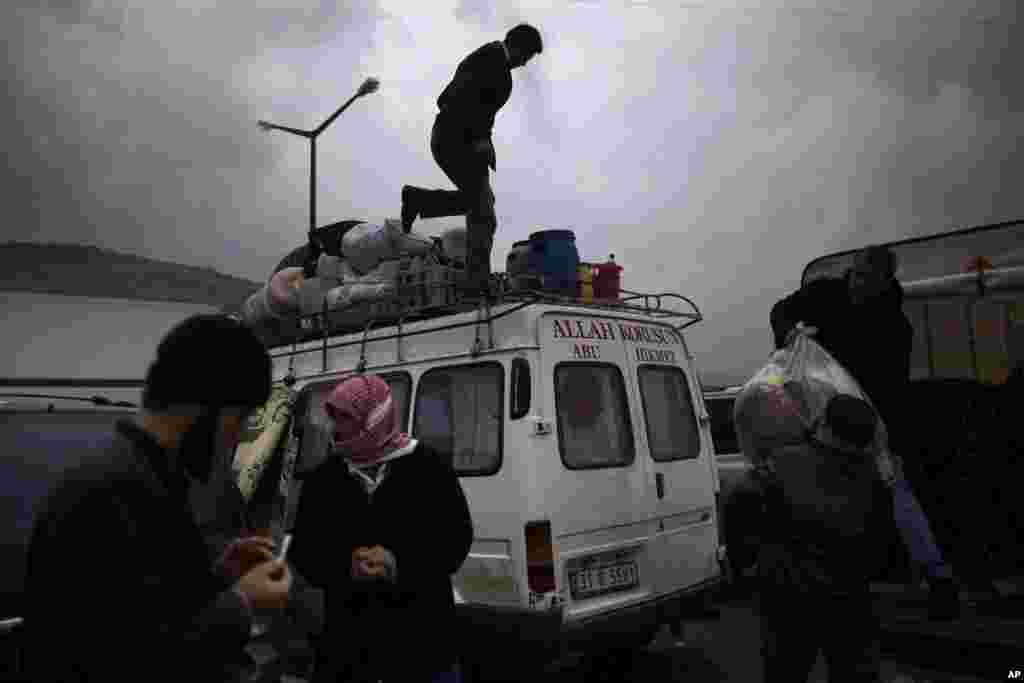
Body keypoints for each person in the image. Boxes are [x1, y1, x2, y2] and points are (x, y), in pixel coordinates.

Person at [21, 314, 294, 682]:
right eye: (241, 417)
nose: (242, 436)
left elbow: (155, 604)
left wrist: (221, 574)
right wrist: (242, 604)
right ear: (205, 408)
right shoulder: (110, 490)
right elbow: (119, 653)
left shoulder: (150, 478)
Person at [770, 245, 961, 619]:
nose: (857, 284)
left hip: (868, 417)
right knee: (834, 498)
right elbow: (781, 312)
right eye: (855, 275)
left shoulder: (895, 327)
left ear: (884, 282)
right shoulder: (824, 293)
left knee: (896, 493)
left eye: (867, 279)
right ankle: (828, 581)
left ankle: (938, 580)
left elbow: (892, 390)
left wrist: (877, 436)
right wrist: (789, 333)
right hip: (821, 411)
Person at [289, 374, 473, 682]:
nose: (335, 429)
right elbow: (305, 554)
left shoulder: (428, 467)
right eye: (334, 418)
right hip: (348, 655)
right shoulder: (324, 479)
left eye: (345, 419)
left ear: (373, 419)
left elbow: (455, 540)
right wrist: (344, 565)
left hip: (424, 650)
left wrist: (398, 563)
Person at [747, 392, 890, 682]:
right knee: (853, 671)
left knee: (785, 671)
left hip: (789, 600)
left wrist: (748, 565)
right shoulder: (873, 476)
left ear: (825, 425)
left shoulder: (782, 464)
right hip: (850, 600)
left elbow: (741, 506)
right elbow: (882, 542)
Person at [400, 23, 544, 295]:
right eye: (526, 56)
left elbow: (482, 112)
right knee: (483, 213)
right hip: (453, 140)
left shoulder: (498, 67)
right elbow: (453, 99)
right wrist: (477, 137)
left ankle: (419, 200)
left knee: (480, 205)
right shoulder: (489, 59)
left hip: (462, 142)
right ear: (517, 46)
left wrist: (484, 141)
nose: (524, 64)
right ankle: (476, 285)